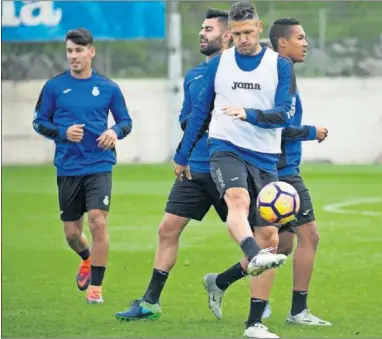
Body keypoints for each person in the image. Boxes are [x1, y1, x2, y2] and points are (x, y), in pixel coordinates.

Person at [172, 2, 297, 337]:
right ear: (230, 33)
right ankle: (251, 253)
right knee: (236, 198)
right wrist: (182, 154)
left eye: (247, 32)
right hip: (225, 147)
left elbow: (284, 113)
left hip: (265, 156)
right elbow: (201, 112)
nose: (242, 39)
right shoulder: (220, 64)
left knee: (270, 237)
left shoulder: (280, 65)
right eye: (236, 34)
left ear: (258, 27)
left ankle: (254, 323)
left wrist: (249, 113)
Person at [202, 18, 332, 327]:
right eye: (300, 37)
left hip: (282, 167)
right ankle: (296, 311)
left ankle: (221, 282)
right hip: (278, 170)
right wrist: (311, 131)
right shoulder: (274, 72)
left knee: (281, 245)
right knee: (308, 237)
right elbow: (276, 126)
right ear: (282, 42)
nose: (306, 43)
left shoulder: (280, 71)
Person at [114, 8, 233, 321]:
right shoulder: (194, 75)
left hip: (229, 168)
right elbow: (186, 117)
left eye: (209, 29)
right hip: (194, 168)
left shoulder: (236, 74)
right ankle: (150, 302)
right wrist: (195, 123)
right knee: (167, 229)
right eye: (202, 28)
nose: (202, 33)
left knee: (258, 239)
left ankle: (238, 291)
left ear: (227, 35)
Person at [32, 28, 133, 304]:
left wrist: (114, 132)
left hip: (100, 164)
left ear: (91, 51)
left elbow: (126, 121)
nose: (73, 56)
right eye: (69, 51)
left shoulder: (109, 88)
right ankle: (86, 258)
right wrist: (63, 133)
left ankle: (96, 289)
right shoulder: (54, 87)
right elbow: (39, 122)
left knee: (98, 221)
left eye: (78, 50)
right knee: (72, 234)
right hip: (68, 168)